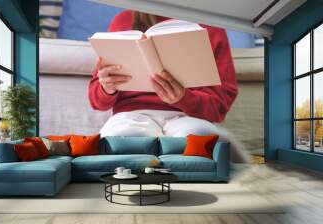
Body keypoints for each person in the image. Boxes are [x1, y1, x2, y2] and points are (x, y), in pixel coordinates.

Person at [88, 10, 243, 160]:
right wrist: (106, 88)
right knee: (124, 137)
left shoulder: (211, 25)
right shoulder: (123, 20)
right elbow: (96, 101)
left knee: (199, 134)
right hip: (132, 115)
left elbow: (219, 107)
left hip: (188, 116)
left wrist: (184, 98)